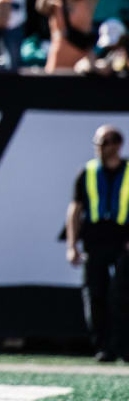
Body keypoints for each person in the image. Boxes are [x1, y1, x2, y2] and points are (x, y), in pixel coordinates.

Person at [66, 125, 129, 362]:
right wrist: (72, 245)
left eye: (103, 143)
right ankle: (104, 347)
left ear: (117, 145)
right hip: (95, 242)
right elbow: (75, 209)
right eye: (97, 143)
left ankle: (125, 346)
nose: (99, 148)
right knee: (95, 295)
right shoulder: (88, 172)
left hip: (122, 242)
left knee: (121, 296)